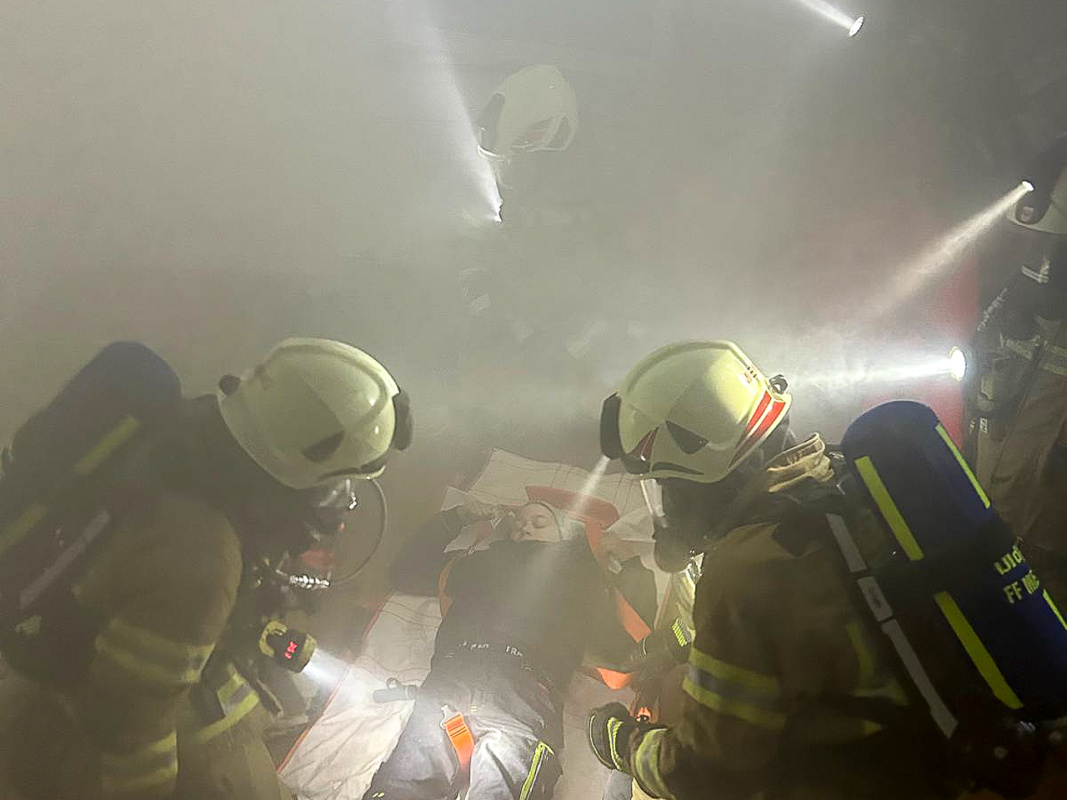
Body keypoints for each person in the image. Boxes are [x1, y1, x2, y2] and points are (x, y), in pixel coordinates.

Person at [0, 338, 412, 800]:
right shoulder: (204, 559)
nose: (344, 502)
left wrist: (255, 630)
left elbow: (150, 603)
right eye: (340, 481)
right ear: (295, 465)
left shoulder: (192, 450)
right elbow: (128, 724)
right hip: (64, 715)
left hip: (92, 655)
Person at [588, 340, 954, 800]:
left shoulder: (745, 568)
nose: (665, 504)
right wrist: (669, 644)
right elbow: (789, 631)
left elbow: (704, 773)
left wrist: (622, 744)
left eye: (665, 482)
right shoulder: (840, 480)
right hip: (952, 752)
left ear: (701, 470)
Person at [362, 497, 656, 800]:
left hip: (520, 690)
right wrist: (455, 518)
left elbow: (633, 650)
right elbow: (405, 572)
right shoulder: (480, 561)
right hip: (452, 678)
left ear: (566, 535)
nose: (524, 528)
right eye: (518, 524)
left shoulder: (579, 574)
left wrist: (630, 565)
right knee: (400, 788)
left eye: (539, 523)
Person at [972, 132, 1067, 603]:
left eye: (1053, 251)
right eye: (1031, 248)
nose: (1039, 267)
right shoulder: (1014, 308)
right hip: (993, 530)